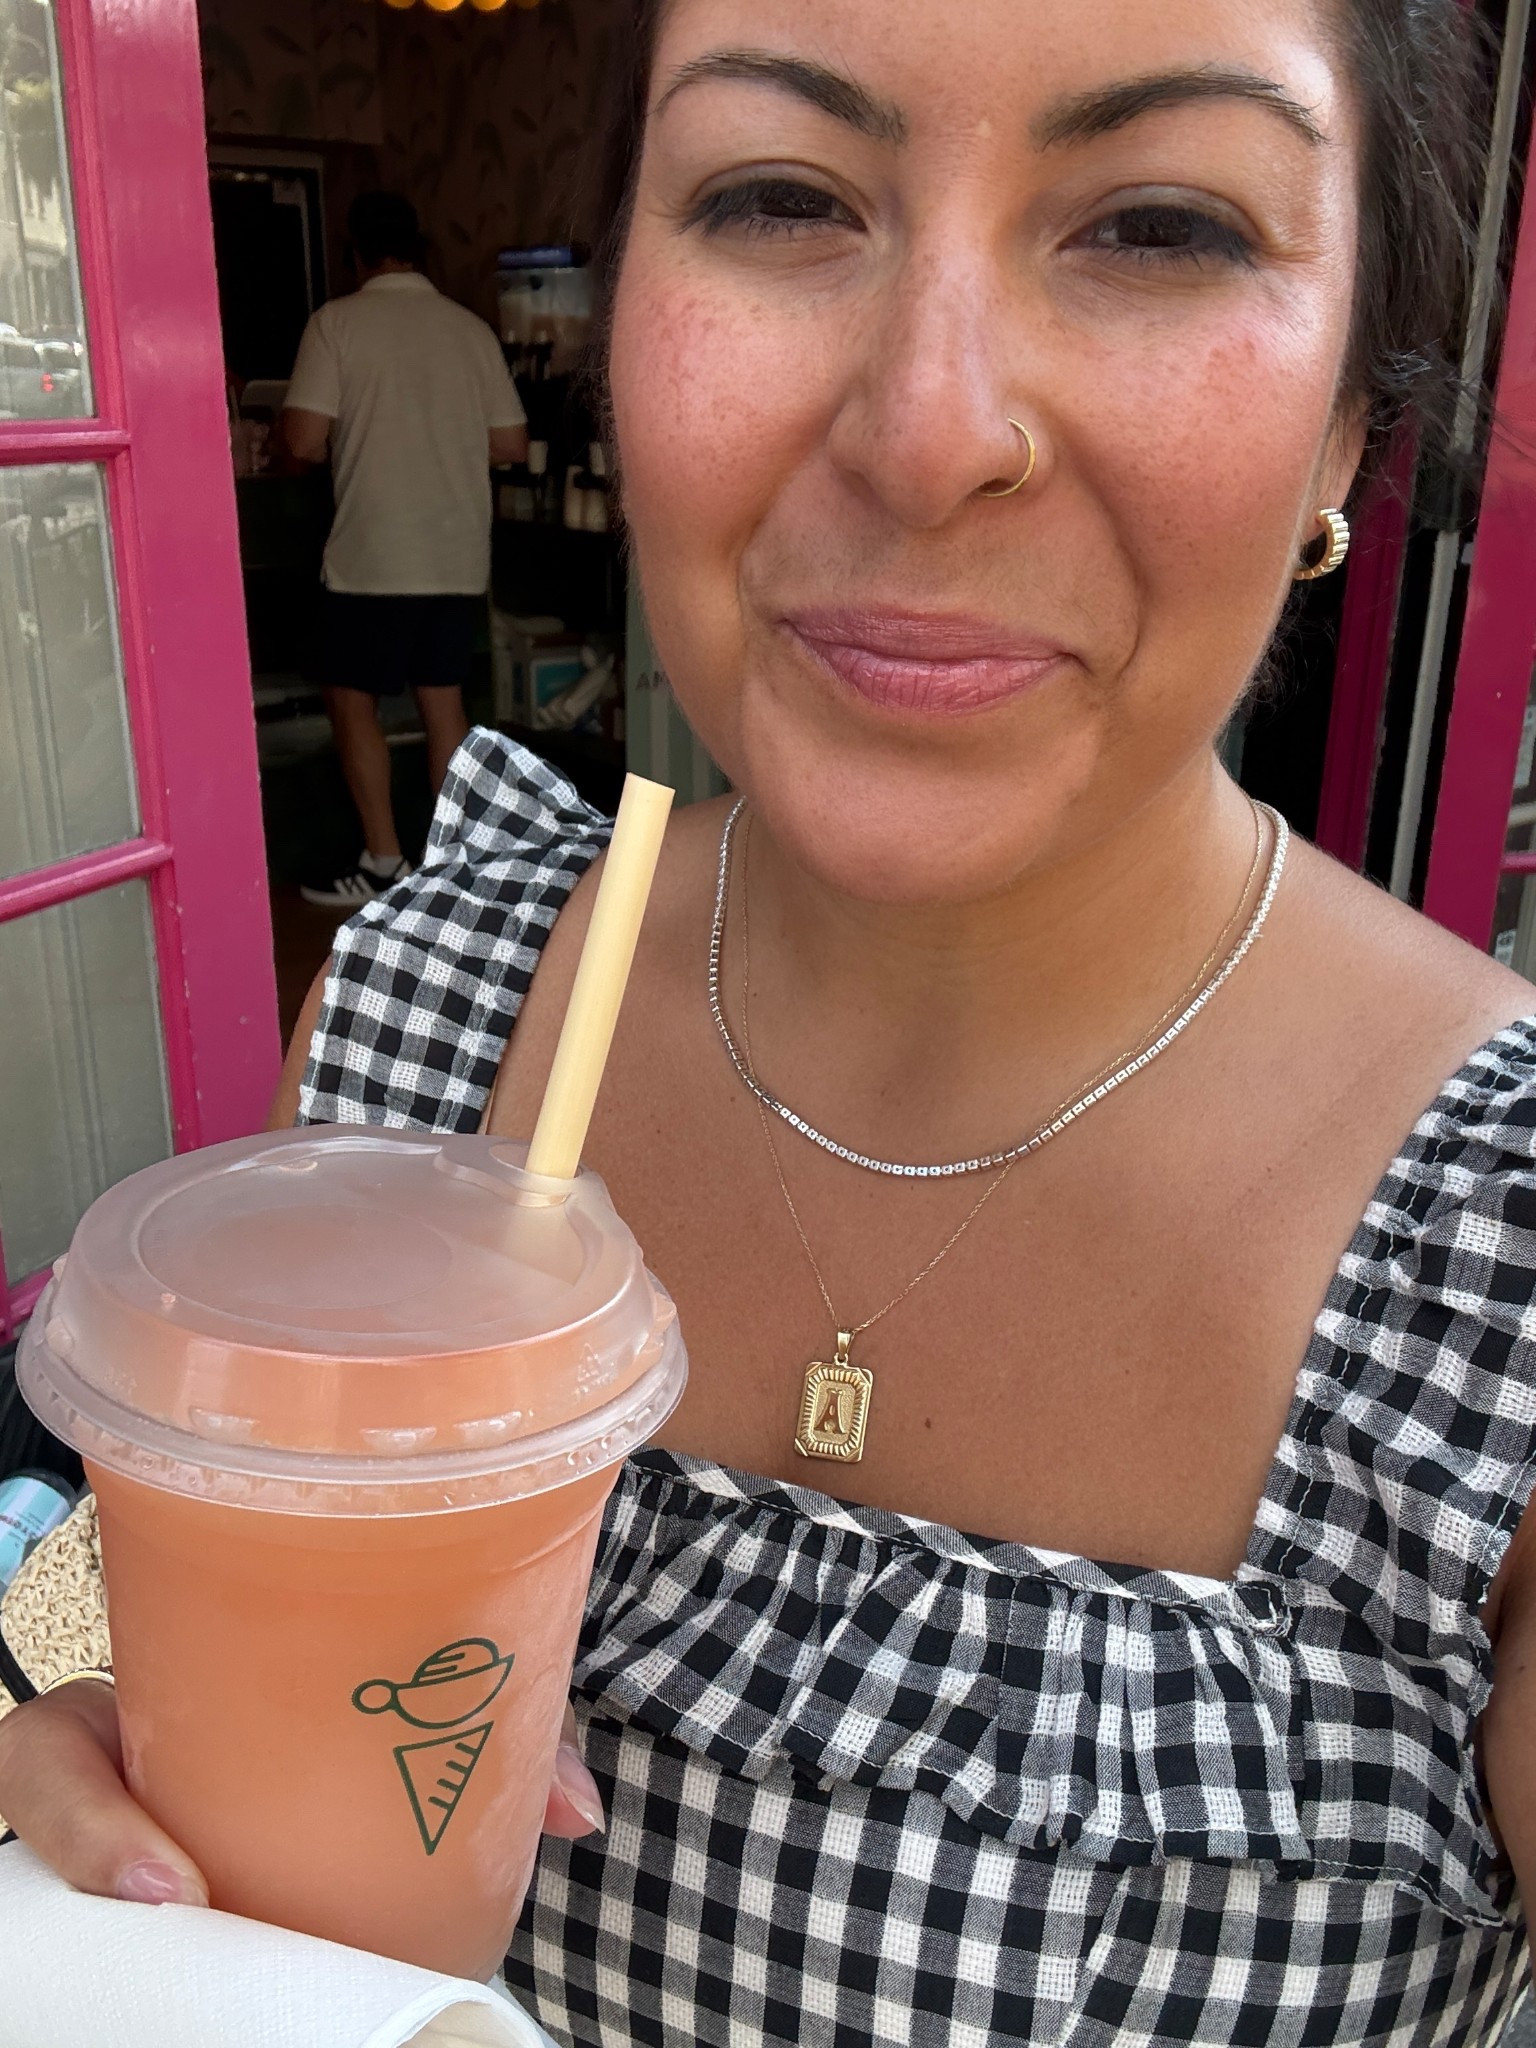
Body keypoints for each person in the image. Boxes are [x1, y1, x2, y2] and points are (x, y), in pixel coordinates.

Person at [5, 3, 1536, 2042]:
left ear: (1356, 417)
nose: (928, 426)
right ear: (630, 316)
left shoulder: (1504, 1251)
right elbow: (137, 1667)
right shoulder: (411, 1020)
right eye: (780, 195)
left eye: (1161, 223)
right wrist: (104, 1903)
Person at [283, 191, 529, 907]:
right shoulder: (469, 329)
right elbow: (510, 442)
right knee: (442, 701)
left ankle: (385, 859)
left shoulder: (337, 324)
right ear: (419, 251)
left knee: (352, 698)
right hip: (454, 554)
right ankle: (453, 866)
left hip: (372, 558)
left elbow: (301, 440)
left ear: (356, 254)